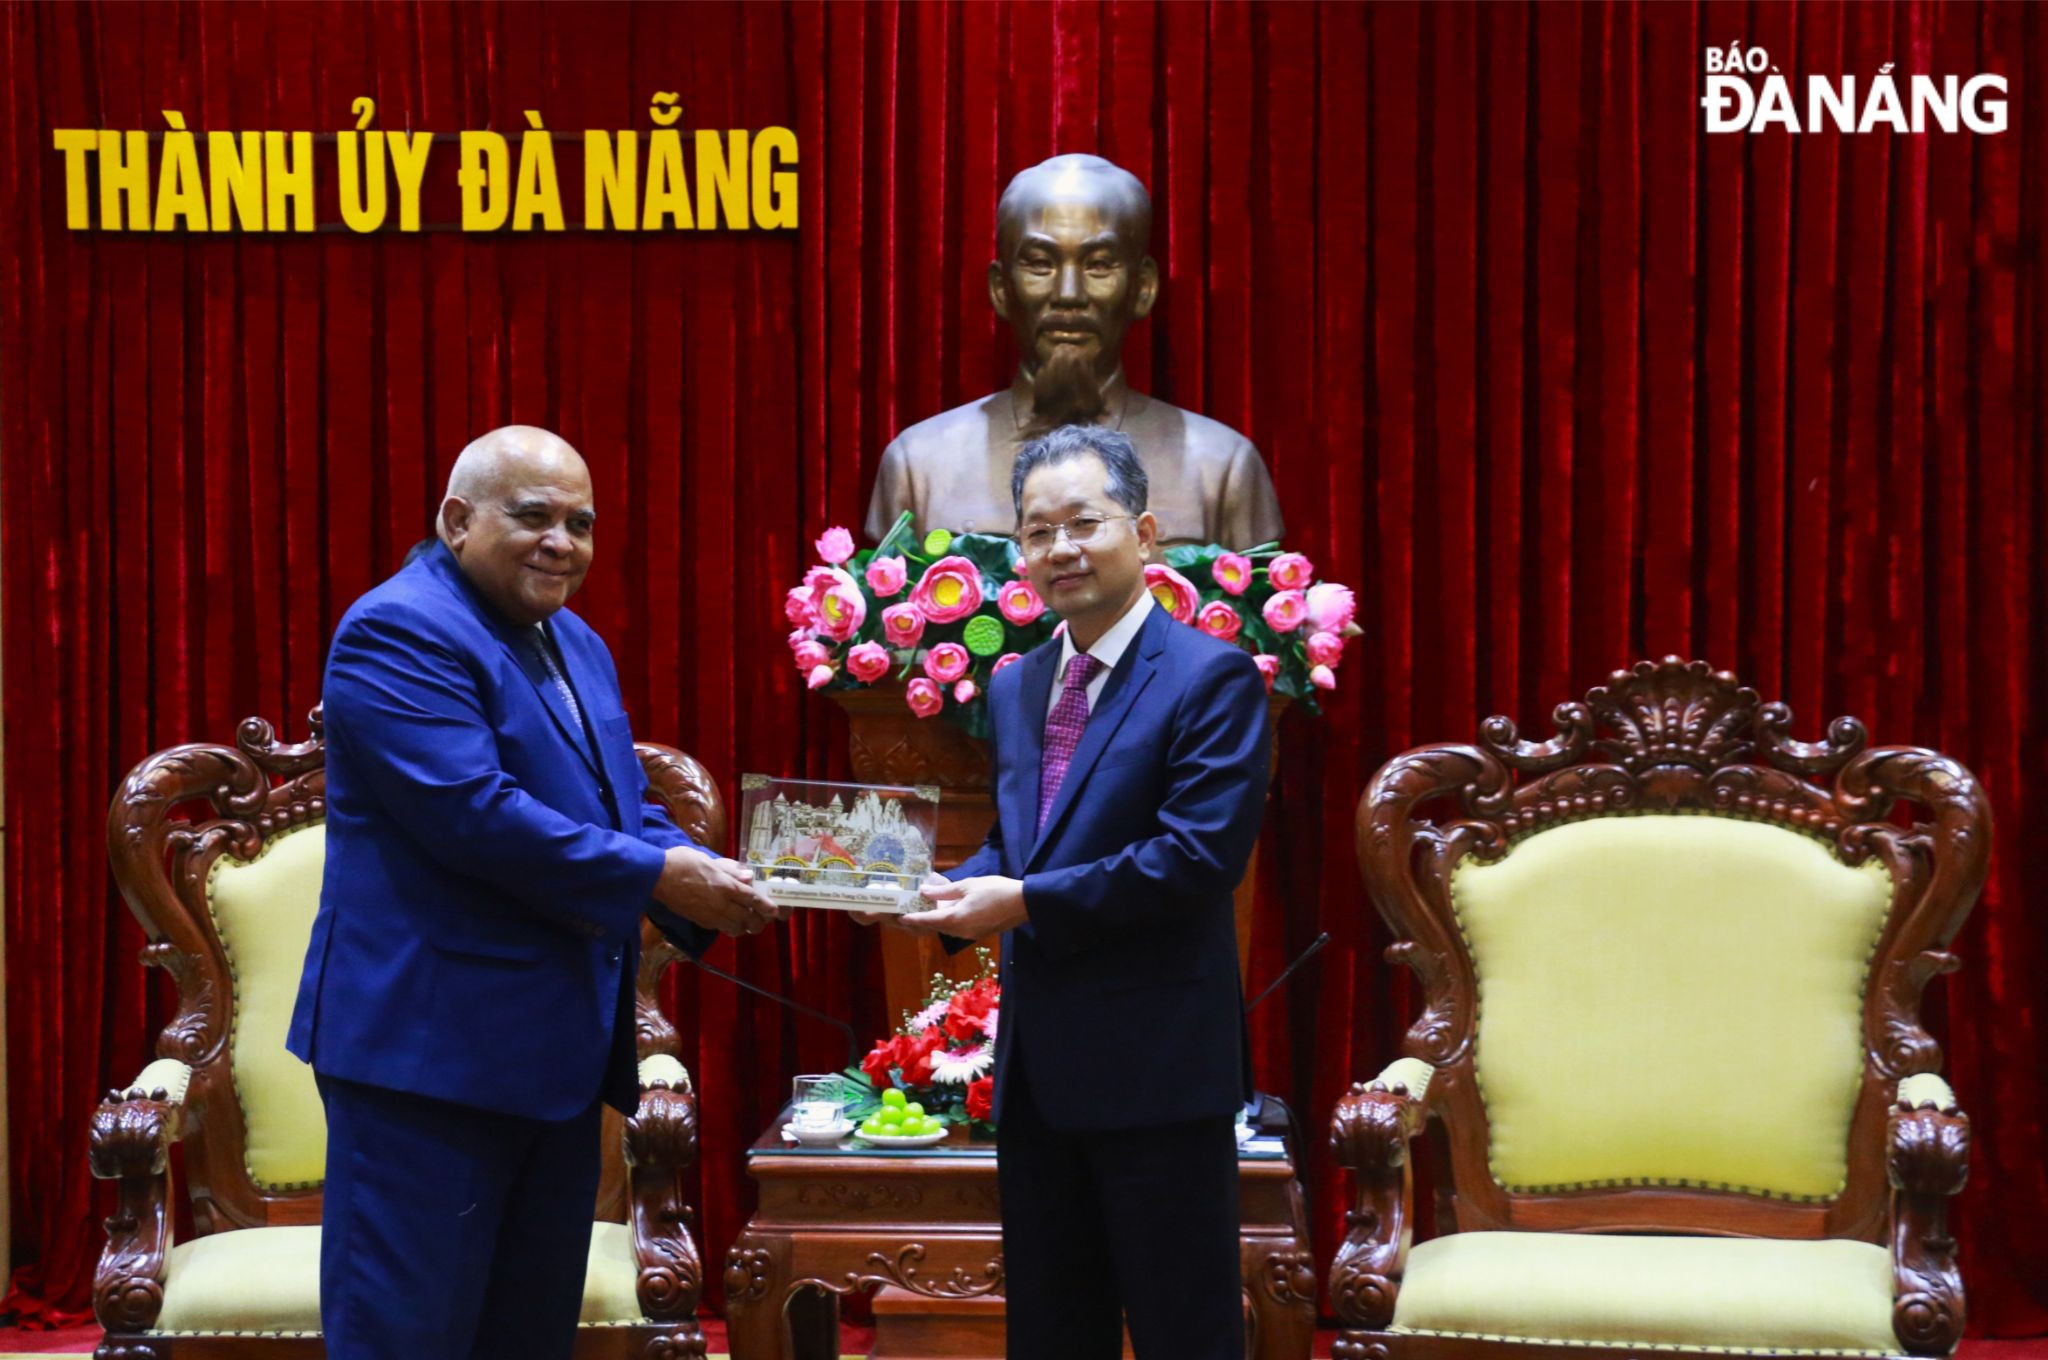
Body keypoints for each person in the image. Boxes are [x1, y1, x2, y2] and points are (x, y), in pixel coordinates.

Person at [286, 425, 778, 1360]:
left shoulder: (575, 640)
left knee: (526, 1337)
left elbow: (619, 803)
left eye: (582, 524)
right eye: (535, 517)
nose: (563, 542)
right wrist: (656, 875)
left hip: (553, 1056)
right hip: (426, 1062)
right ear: (458, 520)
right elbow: (475, 814)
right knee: (410, 1338)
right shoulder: (399, 629)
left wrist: (711, 879)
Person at [885, 423, 1271, 1360]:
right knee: (1053, 1334)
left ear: (1144, 535)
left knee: (1188, 1332)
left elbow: (1194, 858)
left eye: (1082, 523)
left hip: (1160, 1075)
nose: (1059, 549)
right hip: (1039, 1076)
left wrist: (1020, 902)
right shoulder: (1020, 686)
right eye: (1036, 531)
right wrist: (934, 890)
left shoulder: (1209, 677)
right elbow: (1019, 847)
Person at [864, 153, 1285, 551]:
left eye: (1099, 265)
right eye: (1040, 264)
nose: (1069, 295)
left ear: (1142, 288)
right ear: (1000, 289)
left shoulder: (1221, 469)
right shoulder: (919, 467)